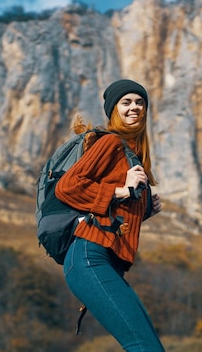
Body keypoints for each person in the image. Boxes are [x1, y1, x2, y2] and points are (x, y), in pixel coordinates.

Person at [55, 79, 165, 351]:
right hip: (89, 256)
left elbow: (111, 215)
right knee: (145, 347)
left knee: (150, 346)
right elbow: (67, 187)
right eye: (126, 102)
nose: (135, 107)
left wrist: (145, 209)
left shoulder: (134, 156)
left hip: (107, 261)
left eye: (140, 102)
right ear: (114, 109)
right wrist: (121, 190)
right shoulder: (111, 143)